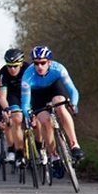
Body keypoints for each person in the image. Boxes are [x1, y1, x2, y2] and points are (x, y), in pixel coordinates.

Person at [21, 45, 84, 178]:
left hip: (54, 89)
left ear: (49, 62)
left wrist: (74, 104)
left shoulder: (58, 69)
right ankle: (54, 157)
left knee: (60, 107)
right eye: (36, 63)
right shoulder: (27, 76)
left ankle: (74, 145)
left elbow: (73, 91)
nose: (39, 66)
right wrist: (29, 115)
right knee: (45, 121)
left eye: (43, 63)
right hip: (37, 94)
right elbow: (25, 104)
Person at [0, 48, 31, 167]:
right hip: (13, 96)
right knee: (16, 118)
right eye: (9, 66)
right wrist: (6, 108)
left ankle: (41, 147)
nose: (12, 69)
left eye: (15, 66)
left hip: (29, 93)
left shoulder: (29, 69)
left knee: (39, 118)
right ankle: (19, 153)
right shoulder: (3, 73)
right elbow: (2, 97)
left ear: (21, 64)